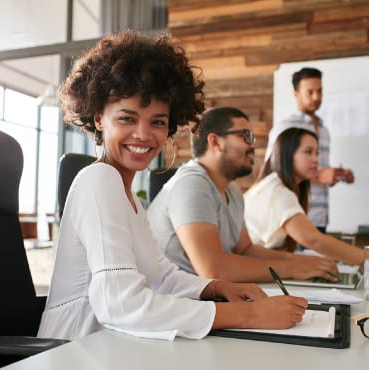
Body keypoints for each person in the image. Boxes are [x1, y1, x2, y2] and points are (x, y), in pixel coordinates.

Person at [37, 30, 308, 341]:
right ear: (99, 118)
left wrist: (216, 288)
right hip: (75, 350)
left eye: (157, 122)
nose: (143, 134)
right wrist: (249, 315)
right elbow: (120, 303)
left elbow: (160, 276)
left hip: (114, 344)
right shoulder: (99, 180)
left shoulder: (128, 196)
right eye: (127, 118)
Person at [147, 106, 339, 284]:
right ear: (215, 142)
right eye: (245, 136)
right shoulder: (191, 185)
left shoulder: (232, 191)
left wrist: (303, 261)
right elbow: (214, 270)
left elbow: (245, 250)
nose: (254, 143)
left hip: (203, 299)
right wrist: (291, 268)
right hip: (174, 305)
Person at [245, 127, 369, 277]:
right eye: (308, 152)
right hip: (250, 272)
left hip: (258, 268)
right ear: (287, 154)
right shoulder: (277, 192)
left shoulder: (276, 185)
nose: (316, 159)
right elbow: (314, 240)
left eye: (317, 153)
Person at [265, 67, 354, 233]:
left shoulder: (324, 130)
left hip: (320, 217)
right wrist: (319, 175)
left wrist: (336, 176)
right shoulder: (285, 127)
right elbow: (271, 170)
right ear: (296, 94)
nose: (317, 97)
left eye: (320, 91)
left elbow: (315, 170)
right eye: (310, 92)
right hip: (293, 216)